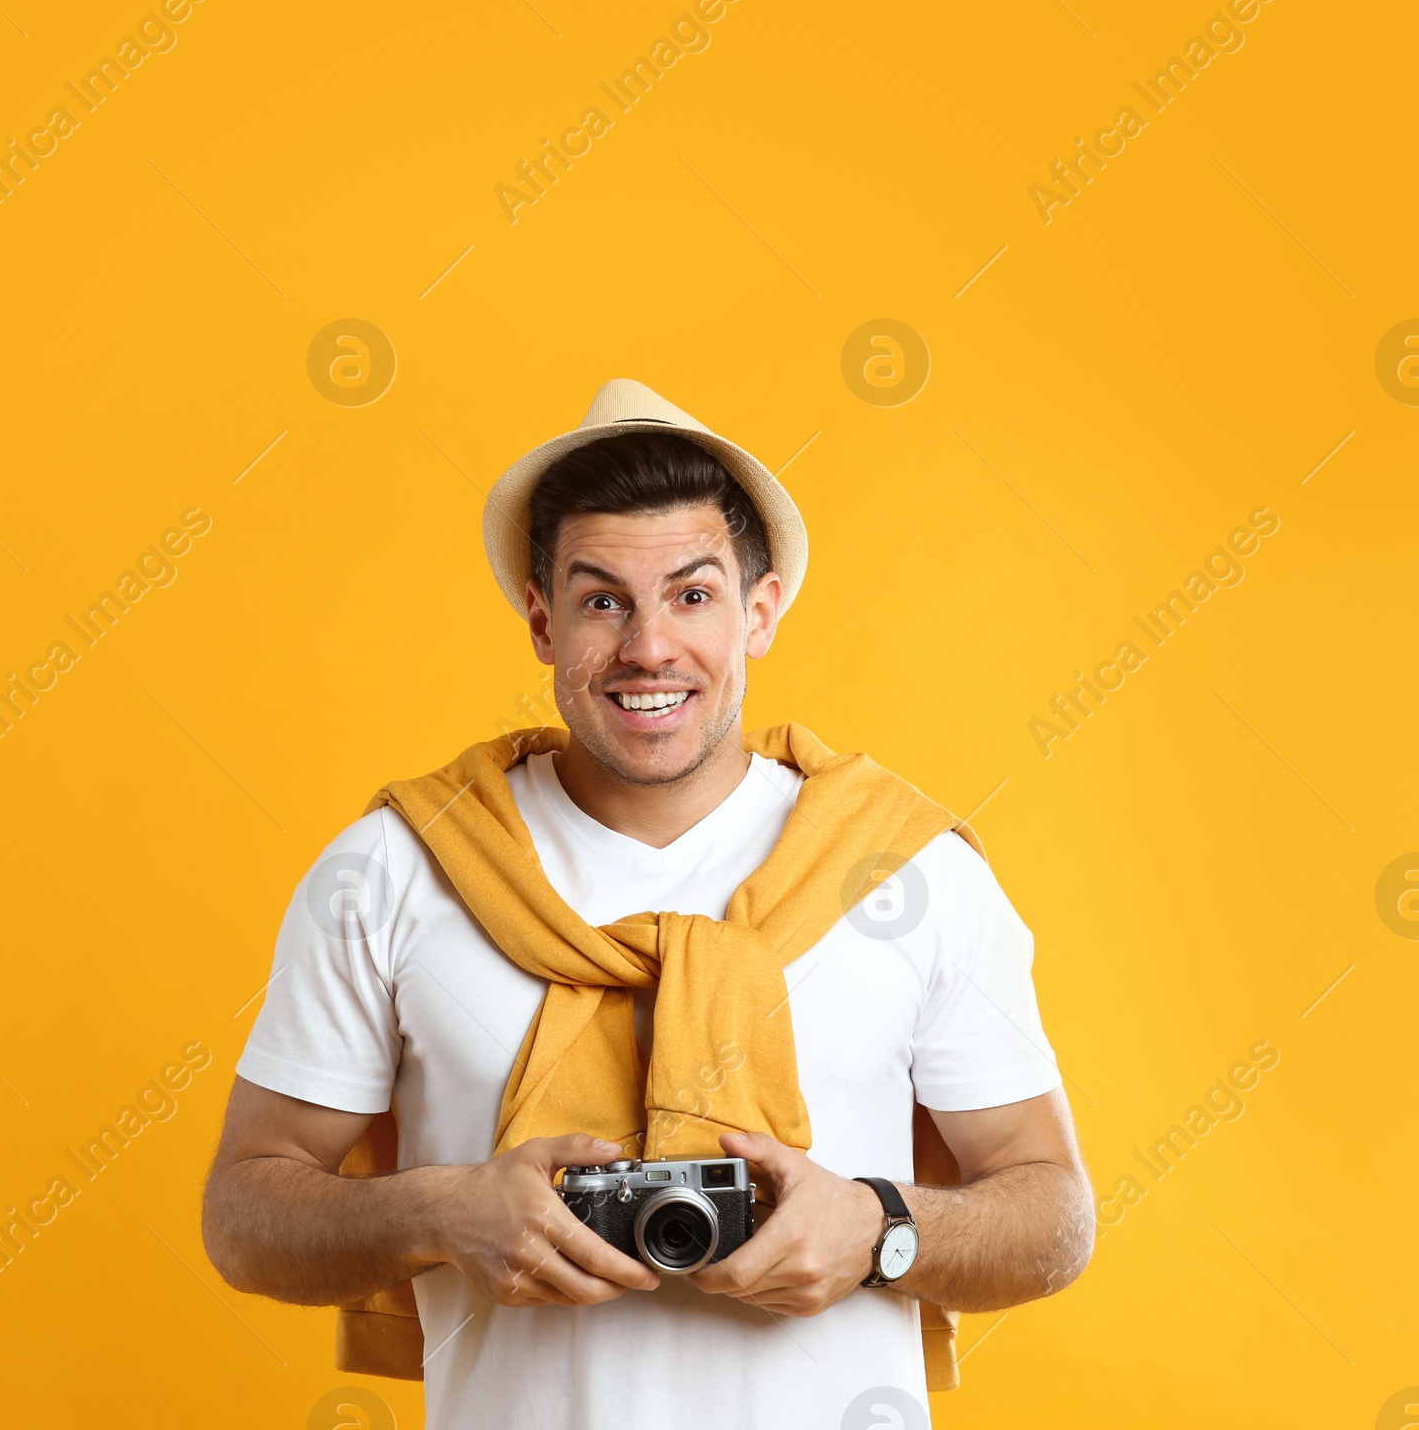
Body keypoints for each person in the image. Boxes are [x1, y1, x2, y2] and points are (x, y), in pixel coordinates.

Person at [201, 379, 1094, 1429]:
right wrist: (440, 1209)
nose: (649, 648)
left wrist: (877, 1228)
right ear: (541, 621)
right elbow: (245, 1212)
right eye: (601, 599)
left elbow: (1054, 1215)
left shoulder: (903, 869)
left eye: (692, 594)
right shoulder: (396, 867)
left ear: (759, 614)